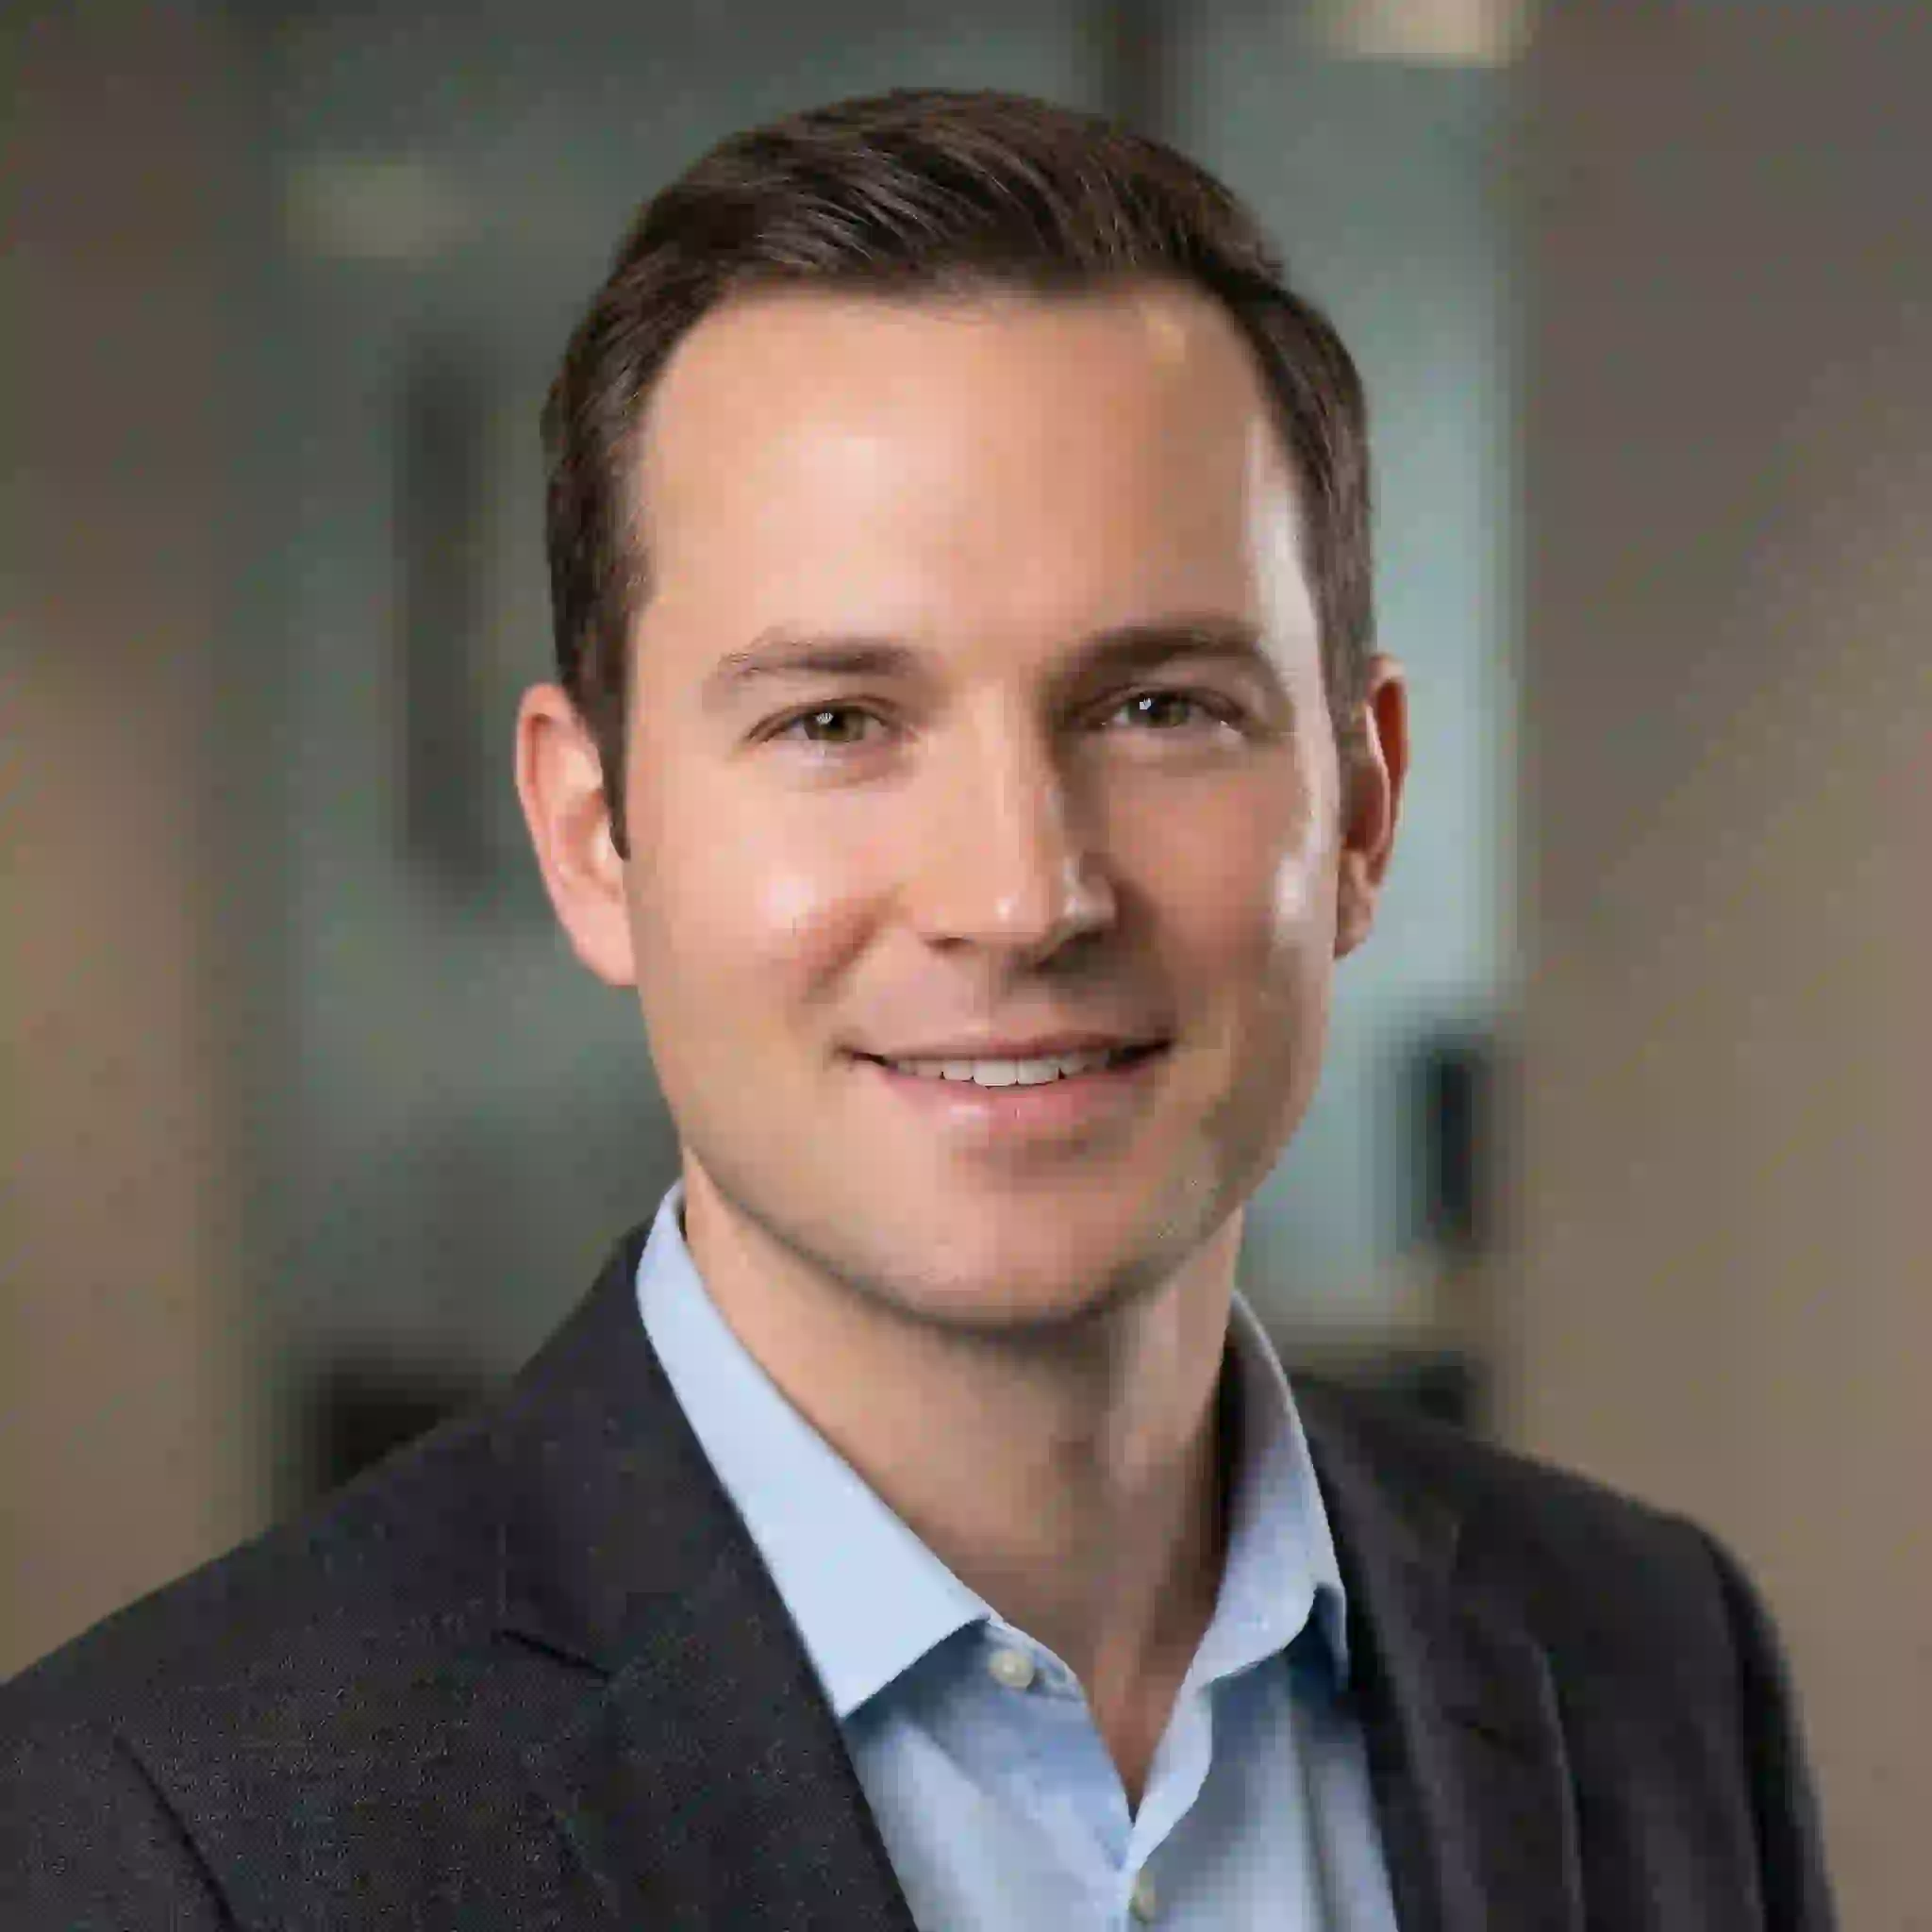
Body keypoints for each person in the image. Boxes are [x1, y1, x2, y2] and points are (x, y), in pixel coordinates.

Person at [3, 89, 1834, 1929]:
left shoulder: (1653, 1668)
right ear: (592, 835)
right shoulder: (171, 1834)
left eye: (1157, 706)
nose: (1020, 895)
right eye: (835, 723)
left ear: (1359, 808)